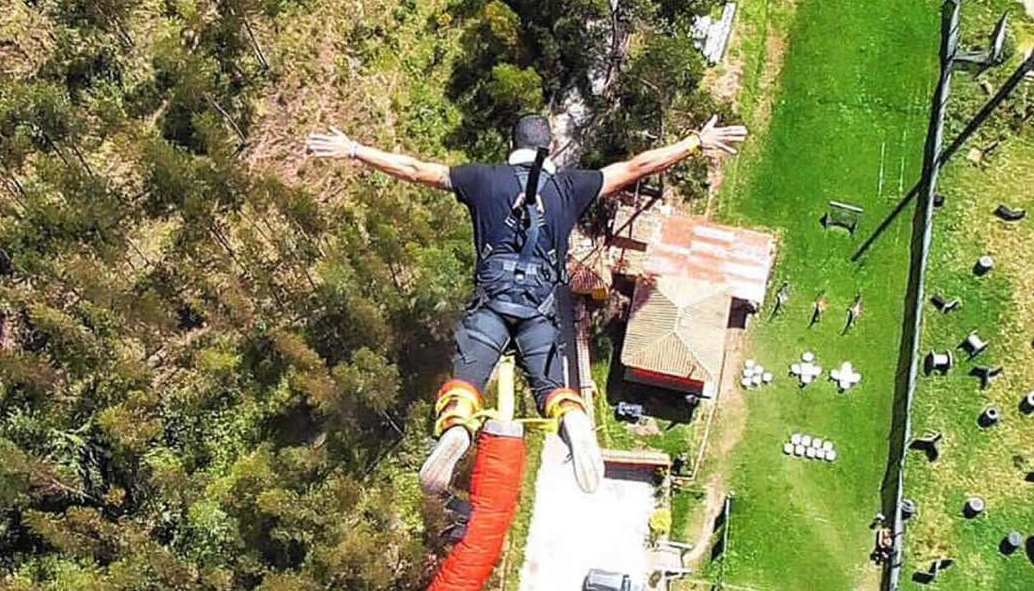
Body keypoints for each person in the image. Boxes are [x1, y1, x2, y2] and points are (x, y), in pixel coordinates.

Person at [305, 114, 747, 494]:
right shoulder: (572, 186)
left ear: (509, 145)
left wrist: (355, 149)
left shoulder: (480, 179)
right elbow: (636, 166)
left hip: (492, 303)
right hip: (540, 305)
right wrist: (695, 142)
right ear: (551, 147)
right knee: (552, 385)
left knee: (468, 379)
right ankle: (570, 418)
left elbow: (417, 169)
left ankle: (459, 425)